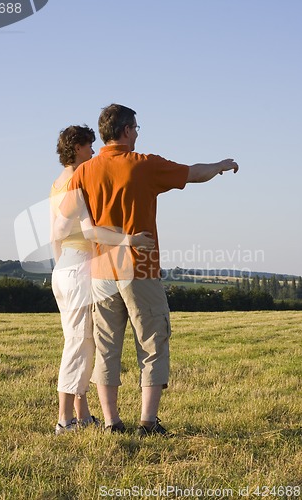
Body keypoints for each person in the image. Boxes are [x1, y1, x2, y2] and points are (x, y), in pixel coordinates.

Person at [57, 105, 239, 436]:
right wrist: (222, 165)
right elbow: (193, 173)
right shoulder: (142, 164)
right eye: (137, 128)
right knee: (153, 342)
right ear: (126, 131)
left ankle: (111, 422)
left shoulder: (83, 171)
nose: (138, 133)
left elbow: (64, 219)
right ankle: (148, 422)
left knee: (107, 347)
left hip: (99, 272)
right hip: (139, 268)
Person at [50, 124, 154, 435]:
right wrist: (128, 240)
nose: (93, 152)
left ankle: (82, 416)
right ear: (77, 148)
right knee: (79, 346)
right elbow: (87, 230)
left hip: (65, 267)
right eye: (88, 147)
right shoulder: (77, 180)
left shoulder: (57, 182)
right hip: (81, 266)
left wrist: (61, 269)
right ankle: (65, 419)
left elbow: (54, 234)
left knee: (85, 342)